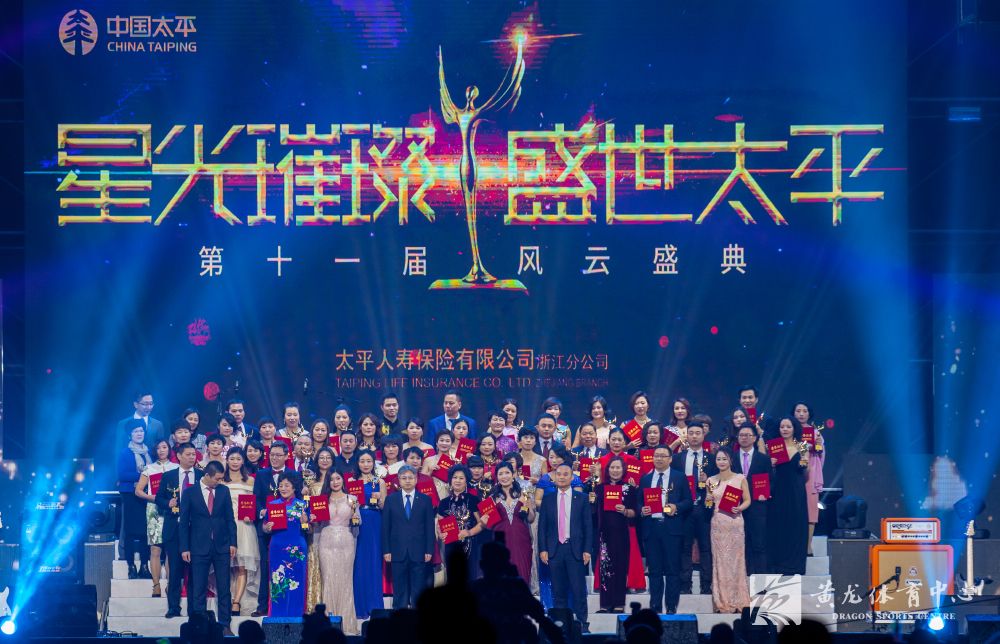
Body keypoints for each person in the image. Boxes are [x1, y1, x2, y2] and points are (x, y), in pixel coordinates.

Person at [180, 460, 238, 635]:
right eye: (217, 479)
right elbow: (184, 522)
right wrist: (185, 547)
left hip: (222, 546)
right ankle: (200, 626)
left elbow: (230, 519)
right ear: (207, 475)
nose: (219, 482)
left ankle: (225, 625)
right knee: (198, 588)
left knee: (224, 587)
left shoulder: (223, 491)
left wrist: (233, 543)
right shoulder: (189, 492)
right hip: (198, 546)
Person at [538, 463, 593, 632]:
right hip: (554, 550)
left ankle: (583, 624)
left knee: (578, 590)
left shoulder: (581, 498)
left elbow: (587, 526)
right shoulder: (548, 499)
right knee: (558, 591)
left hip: (575, 550)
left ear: (572, 477)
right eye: (559, 474)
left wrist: (587, 550)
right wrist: (543, 549)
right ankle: (561, 625)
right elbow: (542, 527)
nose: (561, 477)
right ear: (554, 477)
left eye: (565, 474)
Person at [250, 441, 302, 617]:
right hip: (267, 527)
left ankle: (291, 606)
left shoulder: (295, 474)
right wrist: (262, 512)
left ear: (287, 456)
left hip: (291, 530)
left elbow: (300, 499)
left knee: (290, 569)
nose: (274, 458)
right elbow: (256, 498)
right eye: (272, 455)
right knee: (267, 567)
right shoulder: (261, 474)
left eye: (279, 455)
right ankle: (263, 605)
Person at [639, 446, 691, 614]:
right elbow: (639, 502)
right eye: (656, 456)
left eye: (663, 456)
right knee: (654, 571)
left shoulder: (679, 477)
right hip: (652, 528)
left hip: (672, 529)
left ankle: (671, 606)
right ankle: (655, 606)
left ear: (670, 459)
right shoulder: (646, 479)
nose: (659, 459)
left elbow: (688, 501)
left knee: (672, 570)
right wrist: (642, 509)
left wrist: (677, 507)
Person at [154, 443, 201, 618]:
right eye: (188, 454)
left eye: (193, 454)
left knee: (195, 572)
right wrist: (168, 503)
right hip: (174, 528)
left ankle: (194, 610)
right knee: (174, 570)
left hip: (196, 530)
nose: (192, 457)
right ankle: (173, 607)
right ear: (179, 456)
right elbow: (158, 498)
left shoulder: (201, 475)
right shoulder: (169, 476)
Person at [673, 422, 717, 594]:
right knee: (684, 547)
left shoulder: (712, 458)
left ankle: (706, 585)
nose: (694, 436)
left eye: (698, 433)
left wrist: (708, 480)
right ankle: (685, 585)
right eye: (690, 433)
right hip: (685, 509)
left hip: (705, 508)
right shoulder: (678, 458)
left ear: (703, 435)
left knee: (706, 547)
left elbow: (719, 483)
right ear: (686, 435)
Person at [314, 470, 361, 635]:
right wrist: (311, 519)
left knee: (346, 582)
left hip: (346, 542)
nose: (335, 482)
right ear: (328, 482)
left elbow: (357, 522)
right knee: (328, 581)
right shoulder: (321, 500)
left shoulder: (352, 499)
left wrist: (356, 516)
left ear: (343, 480)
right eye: (331, 479)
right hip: (326, 542)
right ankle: (329, 626)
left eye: (338, 478)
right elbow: (317, 525)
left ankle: (347, 624)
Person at [381, 465, 435, 609]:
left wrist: (429, 550)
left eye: (411, 477)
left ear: (416, 479)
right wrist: (386, 550)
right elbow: (386, 527)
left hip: (419, 551)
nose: (407, 481)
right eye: (404, 478)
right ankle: (400, 618)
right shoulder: (390, 500)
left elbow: (429, 527)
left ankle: (418, 619)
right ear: (399, 480)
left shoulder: (425, 499)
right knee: (400, 591)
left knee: (418, 590)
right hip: (397, 551)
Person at [706, 449, 752, 614]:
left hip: (735, 523)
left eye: (724, 459)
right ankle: (722, 600)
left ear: (730, 460)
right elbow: (708, 504)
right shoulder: (711, 480)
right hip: (718, 525)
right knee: (720, 561)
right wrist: (708, 500)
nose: (721, 462)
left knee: (736, 561)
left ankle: (738, 600)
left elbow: (748, 500)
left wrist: (740, 508)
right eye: (718, 459)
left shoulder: (740, 478)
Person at [764, 417, 809, 575]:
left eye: (788, 426)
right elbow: (765, 471)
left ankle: (794, 565)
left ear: (794, 428)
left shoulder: (802, 446)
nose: (785, 429)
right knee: (777, 524)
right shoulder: (773, 446)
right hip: (777, 489)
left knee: (796, 524)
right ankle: (776, 563)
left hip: (796, 489)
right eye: (782, 426)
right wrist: (770, 464)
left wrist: (804, 461)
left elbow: (806, 473)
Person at [594, 455, 639, 613]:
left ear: (623, 469)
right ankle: (605, 605)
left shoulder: (629, 489)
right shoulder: (599, 488)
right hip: (604, 534)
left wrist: (625, 511)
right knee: (605, 569)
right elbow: (593, 511)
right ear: (607, 470)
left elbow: (635, 513)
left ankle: (619, 603)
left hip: (622, 534)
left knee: (620, 568)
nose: (615, 470)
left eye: (618, 467)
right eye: (612, 467)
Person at [135, 438, 178, 597]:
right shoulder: (149, 468)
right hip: (154, 511)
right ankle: (156, 585)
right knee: (155, 549)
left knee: (171, 550)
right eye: (158, 448)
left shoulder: (176, 468)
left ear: (169, 449)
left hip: (172, 510)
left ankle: (170, 586)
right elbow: (138, 491)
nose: (161, 450)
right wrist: (153, 498)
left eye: (164, 447)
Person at [262, 472, 309, 616]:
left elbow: (309, 530)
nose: (283, 488)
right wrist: (267, 527)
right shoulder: (273, 505)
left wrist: (305, 523)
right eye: (281, 485)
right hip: (277, 548)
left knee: (296, 582)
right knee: (278, 581)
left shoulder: (302, 505)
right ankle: (277, 616)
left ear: (294, 487)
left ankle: (296, 616)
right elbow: (264, 527)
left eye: (287, 485)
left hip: (297, 549)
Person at [730, 424, 771, 575]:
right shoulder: (731, 458)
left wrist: (766, 493)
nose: (744, 438)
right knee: (738, 544)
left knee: (759, 544)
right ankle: (741, 578)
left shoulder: (763, 459)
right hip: (734, 506)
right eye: (741, 435)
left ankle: (760, 580)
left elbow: (771, 481)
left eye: (748, 435)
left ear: (754, 438)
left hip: (757, 506)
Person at [224, 448, 258, 615]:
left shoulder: (250, 481)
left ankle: (236, 602)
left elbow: (255, 504)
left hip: (245, 526)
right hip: (225, 527)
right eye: (232, 458)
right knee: (225, 566)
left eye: (238, 459)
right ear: (227, 460)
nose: (235, 462)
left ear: (243, 461)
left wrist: (251, 515)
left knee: (242, 567)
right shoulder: (221, 480)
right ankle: (227, 599)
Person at [436, 464, 484, 581]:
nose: (457, 480)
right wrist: (441, 534)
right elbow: (439, 524)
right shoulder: (443, 502)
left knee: (470, 577)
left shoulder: (473, 499)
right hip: (450, 545)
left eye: (461, 478)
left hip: (470, 544)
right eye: (455, 477)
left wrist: (469, 532)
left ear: (466, 481)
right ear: (450, 480)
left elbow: (482, 523)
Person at [489, 462, 535, 584]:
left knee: (522, 571)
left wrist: (528, 506)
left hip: (521, 538)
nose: (504, 476)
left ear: (513, 475)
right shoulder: (492, 497)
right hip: (500, 539)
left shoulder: (523, 494)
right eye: (500, 474)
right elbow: (489, 524)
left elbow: (531, 519)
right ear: (497, 477)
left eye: (507, 473)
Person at [118, 421, 153, 579]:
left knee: (146, 532)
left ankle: (144, 566)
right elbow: (122, 475)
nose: (139, 434)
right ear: (130, 434)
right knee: (131, 532)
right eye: (135, 431)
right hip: (130, 495)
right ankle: (131, 566)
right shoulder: (125, 453)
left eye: (141, 431)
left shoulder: (149, 452)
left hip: (147, 495)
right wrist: (144, 474)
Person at [353, 452, 386, 619]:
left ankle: (374, 606)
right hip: (357, 521)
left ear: (374, 463)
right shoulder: (351, 482)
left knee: (373, 561)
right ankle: (359, 607)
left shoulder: (379, 482)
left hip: (374, 521)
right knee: (358, 562)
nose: (366, 464)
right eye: (362, 461)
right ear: (357, 463)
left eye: (369, 461)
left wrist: (379, 499)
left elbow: (384, 507)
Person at [793, 402, 826, 556]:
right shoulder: (788, 430)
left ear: (809, 414)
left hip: (811, 472)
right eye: (798, 411)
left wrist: (817, 445)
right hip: (792, 471)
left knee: (811, 509)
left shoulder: (815, 433)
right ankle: (793, 544)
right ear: (793, 413)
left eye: (804, 411)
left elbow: (821, 453)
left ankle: (808, 546)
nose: (801, 414)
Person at [304, 446, 335, 612]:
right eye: (321, 457)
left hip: (334, 528)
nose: (324, 460)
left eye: (328, 457)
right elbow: (305, 506)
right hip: (316, 528)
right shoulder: (310, 482)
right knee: (315, 563)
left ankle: (332, 603)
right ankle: (314, 604)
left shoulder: (337, 481)